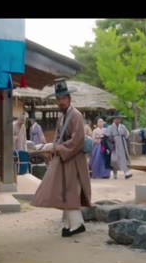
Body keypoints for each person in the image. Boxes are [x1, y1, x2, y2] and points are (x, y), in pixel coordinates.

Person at [31, 78, 92, 237]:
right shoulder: (61, 118)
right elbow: (58, 137)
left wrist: (58, 148)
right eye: (58, 99)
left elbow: (77, 139)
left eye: (63, 98)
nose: (61, 102)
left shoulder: (76, 115)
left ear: (69, 99)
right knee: (64, 191)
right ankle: (73, 224)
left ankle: (77, 225)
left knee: (71, 191)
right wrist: (54, 147)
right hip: (64, 159)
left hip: (74, 159)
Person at [104, 113, 133, 180]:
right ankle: (115, 174)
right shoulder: (110, 127)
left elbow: (127, 135)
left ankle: (126, 173)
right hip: (114, 146)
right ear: (113, 120)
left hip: (122, 144)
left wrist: (127, 143)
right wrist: (112, 140)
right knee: (114, 160)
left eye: (119, 119)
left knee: (124, 159)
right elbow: (107, 136)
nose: (117, 120)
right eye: (116, 119)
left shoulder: (123, 127)